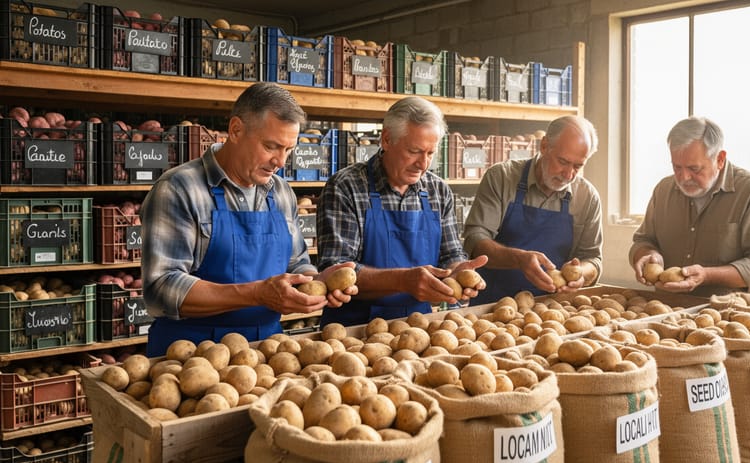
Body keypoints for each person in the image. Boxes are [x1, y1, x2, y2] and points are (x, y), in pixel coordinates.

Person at [141, 82, 356, 357]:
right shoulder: (179, 189)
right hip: (190, 357)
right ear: (236, 130)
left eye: (288, 150)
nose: (280, 161)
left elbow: (296, 261)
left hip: (267, 355)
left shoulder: (280, 192)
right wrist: (256, 294)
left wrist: (316, 281)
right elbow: (161, 288)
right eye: (271, 146)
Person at [316, 96, 486, 326]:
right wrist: (404, 280)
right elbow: (336, 268)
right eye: (414, 151)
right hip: (354, 331)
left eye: (430, 153)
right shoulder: (346, 187)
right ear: (386, 139)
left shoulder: (438, 190)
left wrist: (458, 271)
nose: (423, 164)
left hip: (420, 327)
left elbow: (450, 254)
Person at [630, 116, 750, 297]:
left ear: (720, 159)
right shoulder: (663, 191)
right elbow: (643, 240)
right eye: (677, 167)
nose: (683, 177)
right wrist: (648, 255)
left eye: (694, 169)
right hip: (670, 309)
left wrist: (707, 275)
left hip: (734, 313)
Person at [462, 115, 604, 305]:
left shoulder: (587, 197)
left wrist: (581, 274)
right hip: (492, 309)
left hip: (552, 312)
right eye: (562, 162)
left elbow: (593, 258)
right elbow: (475, 240)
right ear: (544, 146)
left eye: (578, 166)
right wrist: (518, 259)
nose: (568, 174)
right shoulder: (502, 177)